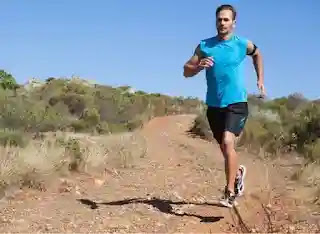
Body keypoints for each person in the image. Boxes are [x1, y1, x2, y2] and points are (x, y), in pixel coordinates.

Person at [183, 4, 265, 207]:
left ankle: (229, 192)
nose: (222, 22)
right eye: (219, 19)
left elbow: (257, 54)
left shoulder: (242, 44)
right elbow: (186, 70)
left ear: (233, 23)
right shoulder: (204, 46)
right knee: (224, 148)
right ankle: (237, 174)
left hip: (237, 102)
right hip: (214, 105)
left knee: (228, 142)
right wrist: (198, 66)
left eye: (226, 19)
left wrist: (260, 79)